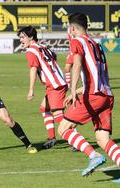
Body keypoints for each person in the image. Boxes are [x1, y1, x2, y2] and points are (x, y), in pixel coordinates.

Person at [57, 12, 119, 177]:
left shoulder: (77, 41)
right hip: (107, 95)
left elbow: (76, 65)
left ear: (72, 28)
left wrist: (72, 89)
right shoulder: (95, 43)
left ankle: (93, 155)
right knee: (102, 139)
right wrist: (77, 91)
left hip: (94, 96)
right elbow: (96, 75)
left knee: (63, 128)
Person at [18, 26, 67, 149]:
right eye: (19, 38)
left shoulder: (31, 51)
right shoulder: (43, 47)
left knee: (58, 115)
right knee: (45, 109)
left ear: (31, 37)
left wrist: (31, 90)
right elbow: (54, 56)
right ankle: (52, 138)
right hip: (58, 83)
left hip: (55, 86)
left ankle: (75, 139)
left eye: (23, 37)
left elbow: (33, 69)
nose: (20, 40)